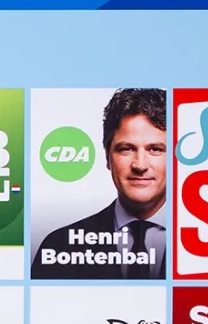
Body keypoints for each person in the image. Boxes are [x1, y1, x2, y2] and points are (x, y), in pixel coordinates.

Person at [31, 88, 169, 279]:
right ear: (107, 156)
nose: (140, 165)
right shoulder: (59, 247)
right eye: (126, 149)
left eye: (155, 149)